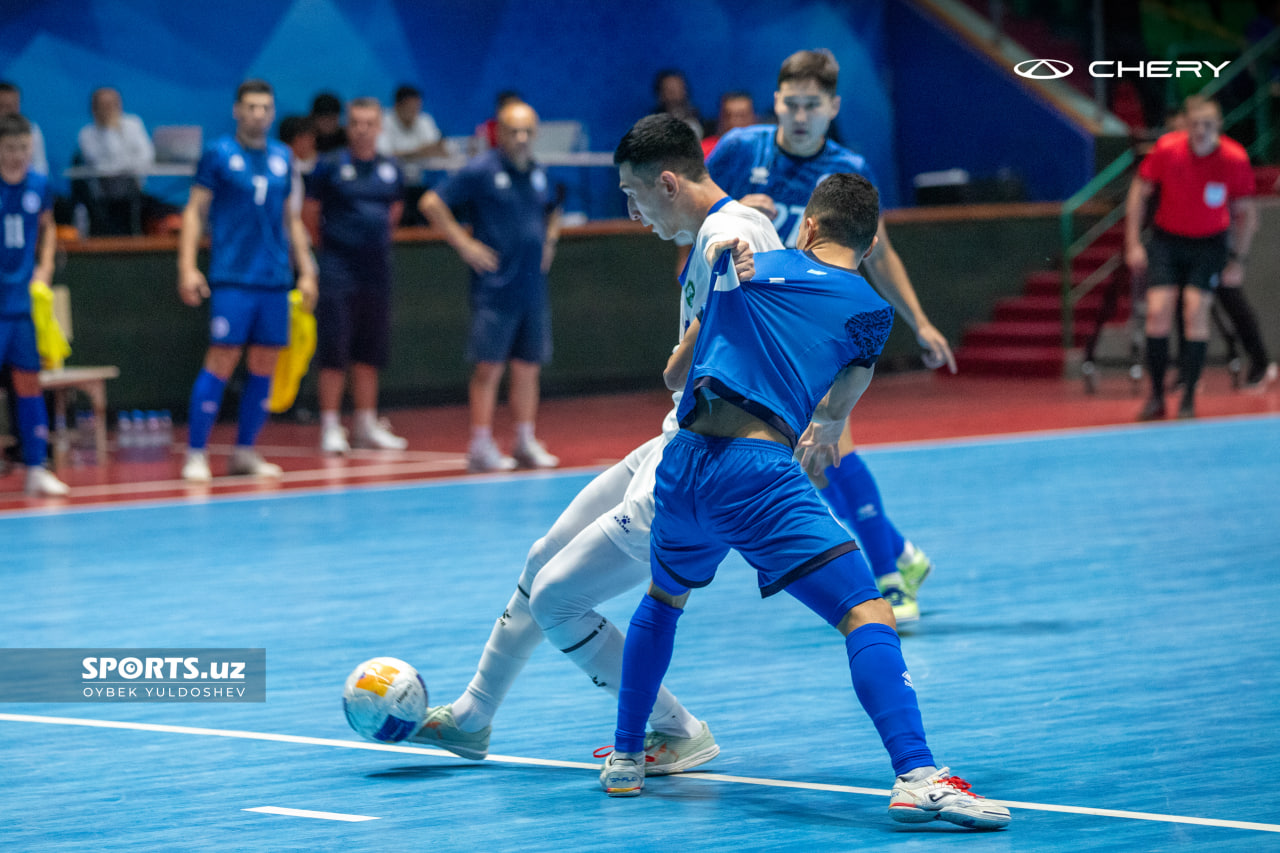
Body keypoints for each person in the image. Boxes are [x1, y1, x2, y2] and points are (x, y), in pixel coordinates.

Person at [599, 173, 1010, 831]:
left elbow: (676, 374)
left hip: (681, 468)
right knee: (865, 609)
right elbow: (834, 410)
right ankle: (918, 775)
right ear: (871, 242)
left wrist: (728, 292)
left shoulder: (752, 267)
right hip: (758, 473)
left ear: (809, 226)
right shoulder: (871, 313)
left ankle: (625, 755)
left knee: (663, 598)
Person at [409, 113, 770, 771]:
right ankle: (471, 716)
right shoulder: (735, 225)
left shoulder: (727, 236)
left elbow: (735, 293)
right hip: (674, 437)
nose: (633, 213)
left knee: (556, 598)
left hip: (698, 464)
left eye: (633, 196)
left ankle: (677, 728)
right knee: (542, 556)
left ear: (666, 182)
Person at [707, 48, 950, 624]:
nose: (799, 114)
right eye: (790, 103)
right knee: (815, 460)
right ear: (776, 101)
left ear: (833, 107)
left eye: (812, 105)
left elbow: (879, 253)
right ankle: (901, 555)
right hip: (757, 325)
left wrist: (920, 322)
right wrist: (737, 211)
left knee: (830, 445)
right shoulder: (742, 150)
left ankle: (890, 581)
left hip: (819, 330)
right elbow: (695, 220)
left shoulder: (847, 171)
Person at [177, 79, 317, 482]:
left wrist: (306, 271)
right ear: (237, 111)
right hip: (232, 277)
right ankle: (197, 453)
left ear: (272, 114)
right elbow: (195, 211)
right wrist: (188, 266)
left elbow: (290, 219)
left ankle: (245, 452)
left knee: (265, 364)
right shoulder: (218, 154)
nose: (258, 115)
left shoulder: (282, 158)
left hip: (274, 278)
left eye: (265, 108)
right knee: (222, 357)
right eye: (251, 107)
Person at [418, 100, 561, 472]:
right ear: (499, 132)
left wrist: (549, 242)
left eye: (527, 131)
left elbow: (553, 208)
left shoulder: (538, 172)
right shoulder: (481, 170)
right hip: (495, 289)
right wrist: (464, 244)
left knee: (528, 368)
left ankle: (524, 440)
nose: (521, 138)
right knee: (489, 368)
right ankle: (480, 444)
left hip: (532, 289)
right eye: (513, 131)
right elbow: (431, 202)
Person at [1126, 95, 1265, 421]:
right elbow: (1139, 191)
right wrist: (1132, 242)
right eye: (1195, 125)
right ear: (1186, 126)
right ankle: (1157, 397)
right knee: (1158, 310)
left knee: (1194, 309)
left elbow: (1247, 215)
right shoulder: (1167, 150)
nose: (1201, 131)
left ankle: (1188, 397)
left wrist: (1237, 260)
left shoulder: (1233, 158)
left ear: (1218, 126)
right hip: (1167, 240)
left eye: (1208, 125)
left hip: (1209, 244)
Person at [303, 97, 407, 454]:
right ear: (348, 126)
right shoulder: (329, 167)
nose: (362, 130)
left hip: (376, 271)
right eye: (356, 123)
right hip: (337, 270)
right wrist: (330, 251)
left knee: (370, 350)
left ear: (379, 128)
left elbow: (394, 211)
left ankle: (366, 423)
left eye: (369, 123)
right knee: (335, 350)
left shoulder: (391, 169)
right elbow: (310, 214)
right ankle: (331, 426)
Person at [0, 114, 68, 496]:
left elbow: (48, 226)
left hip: (22, 305)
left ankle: (36, 468)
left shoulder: (39, 184)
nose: (16, 156)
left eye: (23, 148)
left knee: (29, 383)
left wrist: (43, 266)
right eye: (9, 149)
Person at [75, 87, 156, 235]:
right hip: (101, 196)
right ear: (94, 109)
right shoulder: (86, 134)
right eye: (104, 106)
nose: (110, 110)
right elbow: (105, 168)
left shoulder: (134, 124)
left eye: (113, 104)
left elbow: (146, 157)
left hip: (134, 191)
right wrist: (110, 130)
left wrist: (126, 166)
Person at [378, 85, 448, 187]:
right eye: (410, 107)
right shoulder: (383, 121)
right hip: (390, 181)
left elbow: (436, 149)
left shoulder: (425, 120)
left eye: (417, 107)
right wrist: (419, 152)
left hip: (423, 180)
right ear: (397, 106)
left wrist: (405, 154)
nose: (414, 111)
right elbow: (384, 155)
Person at [0, 83, 47, 175]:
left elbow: (40, 167)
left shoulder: (32, 129)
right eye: (2, 106)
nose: (7, 111)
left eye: (12, 106)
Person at [650, 69, 707, 138]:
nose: (675, 94)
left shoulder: (701, 122)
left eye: (678, 89)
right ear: (660, 95)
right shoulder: (653, 127)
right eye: (669, 90)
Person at [701, 90, 756, 157]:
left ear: (754, 118)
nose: (735, 122)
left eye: (742, 116)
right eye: (728, 116)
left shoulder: (767, 151)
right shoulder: (704, 150)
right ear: (720, 118)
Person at [472, 90, 523, 155]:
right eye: (510, 108)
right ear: (499, 109)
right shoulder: (484, 130)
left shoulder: (528, 130)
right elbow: (476, 158)